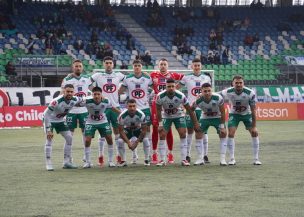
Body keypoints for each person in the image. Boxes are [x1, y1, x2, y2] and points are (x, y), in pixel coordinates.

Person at [156, 78, 200, 166]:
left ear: (175, 86)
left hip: (178, 115)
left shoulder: (181, 96)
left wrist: (195, 123)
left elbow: (190, 110)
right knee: (162, 134)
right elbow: (158, 110)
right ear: (166, 87)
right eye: (169, 86)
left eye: (173, 86)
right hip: (166, 116)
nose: (171, 88)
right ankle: (162, 160)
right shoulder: (160, 96)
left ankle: (184, 159)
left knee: (183, 133)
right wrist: (160, 124)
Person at [90, 56, 125, 165]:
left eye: (110, 63)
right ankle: (101, 155)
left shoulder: (118, 75)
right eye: (107, 63)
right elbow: (87, 82)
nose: (109, 64)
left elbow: (128, 82)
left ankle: (119, 155)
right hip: (102, 108)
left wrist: (120, 91)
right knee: (102, 133)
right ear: (103, 64)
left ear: (113, 64)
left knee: (117, 132)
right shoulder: (98, 75)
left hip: (115, 107)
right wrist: (96, 93)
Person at [221, 75, 261, 165]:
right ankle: (232, 159)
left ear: (243, 83)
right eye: (236, 83)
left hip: (247, 114)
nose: (238, 84)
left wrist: (254, 126)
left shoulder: (250, 93)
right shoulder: (228, 91)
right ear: (233, 84)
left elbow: (254, 110)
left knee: (254, 133)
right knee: (230, 133)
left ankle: (256, 159)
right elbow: (217, 94)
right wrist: (203, 94)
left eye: (240, 83)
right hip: (234, 114)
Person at [177, 58, 212, 163]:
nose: (196, 67)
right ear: (192, 66)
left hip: (203, 108)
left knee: (204, 132)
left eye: (198, 65)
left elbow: (210, 92)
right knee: (190, 131)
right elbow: (176, 88)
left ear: (201, 66)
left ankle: (205, 155)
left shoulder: (206, 77)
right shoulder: (186, 77)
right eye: (195, 65)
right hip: (190, 108)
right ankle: (187, 155)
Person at [150, 58, 184, 164]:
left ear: (167, 65)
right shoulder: (153, 75)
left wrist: (176, 88)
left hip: (171, 102)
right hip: (157, 104)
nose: (163, 66)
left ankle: (170, 153)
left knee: (168, 129)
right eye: (161, 64)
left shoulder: (173, 75)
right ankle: (154, 153)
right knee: (156, 129)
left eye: (165, 64)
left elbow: (186, 78)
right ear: (158, 65)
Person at [118, 59, 152, 164]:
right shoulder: (127, 78)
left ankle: (148, 156)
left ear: (141, 67)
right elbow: (120, 91)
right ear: (132, 67)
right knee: (130, 129)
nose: (137, 67)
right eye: (135, 65)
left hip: (145, 108)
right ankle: (134, 156)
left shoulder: (147, 77)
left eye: (139, 65)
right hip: (132, 107)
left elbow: (154, 87)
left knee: (146, 132)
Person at [43, 84, 82, 171]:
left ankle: (66, 162)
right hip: (50, 120)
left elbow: (83, 100)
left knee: (69, 138)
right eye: (68, 91)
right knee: (49, 139)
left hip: (60, 120)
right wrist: (48, 129)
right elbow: (46, 114)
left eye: (71, 92)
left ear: (74, 92)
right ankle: (48, 163)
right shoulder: (56, 101)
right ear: (64, 91)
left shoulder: (75, 99)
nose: (69, 93)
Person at [82, 87, 121, 168]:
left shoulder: (106, 101)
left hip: (103, 121)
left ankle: (110, 161)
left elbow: (112, 107)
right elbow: (76, 103)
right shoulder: (87, 101)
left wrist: (121, 113)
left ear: (101, 94)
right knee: (87, 140)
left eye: (98, 94)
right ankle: (88, 162)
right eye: (94, 94)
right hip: (90, 122)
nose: (96, 96)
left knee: (109, 139)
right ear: (92, 94)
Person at [61, 60, 91, 163]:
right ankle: (68, 158)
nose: (78, 68)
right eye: (76, 66)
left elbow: (94, 90)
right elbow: (62, 93)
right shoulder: (67, 79)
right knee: (69, 135)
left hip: (84, 110)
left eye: (80, 66)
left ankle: (86, 157)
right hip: (71, 111)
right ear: (73, 67)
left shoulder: (87, 78)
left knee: (85, 134)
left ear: (82, 68)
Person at [192, 83, 227, 166]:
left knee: (223, 133)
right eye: (205, 91)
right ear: (201, 91)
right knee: (198, 133)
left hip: (217, 117)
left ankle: (222, 159)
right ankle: (200, 159)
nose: (207, 93)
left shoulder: (218, 98)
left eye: (209, 91)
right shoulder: (198, 100)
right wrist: (196, 123)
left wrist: (222, 126)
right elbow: (191, 110)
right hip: (205, 117)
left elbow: (223, 112)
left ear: (212, 90)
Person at [117, 99, 150, 166]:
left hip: (138, 129)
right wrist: (129, 142)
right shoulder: (122, 116)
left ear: (136, 106)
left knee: (146, 139)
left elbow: (144, 130)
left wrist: (136, 142)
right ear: (127, 107)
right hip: (127, 130)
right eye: (130, 106)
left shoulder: (141, 114)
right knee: (120, 141)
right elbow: (121, 131)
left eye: (133, 106)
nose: (132, 108)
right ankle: (123, 161)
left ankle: (147, 160)